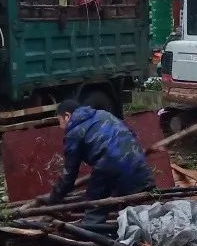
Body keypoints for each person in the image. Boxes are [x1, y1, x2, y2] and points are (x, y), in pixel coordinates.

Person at [45, 99, 154, 232]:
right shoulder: (103, 114)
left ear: (67, 116)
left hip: (109, 165)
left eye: (60, 121)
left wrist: (54, 199)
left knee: (94, 207)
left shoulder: (74, 132)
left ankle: (91, 243)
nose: (61, 126)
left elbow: (69, 173)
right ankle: (156, 234)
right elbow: (130, 133)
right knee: (147, 204)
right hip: (138, 160)